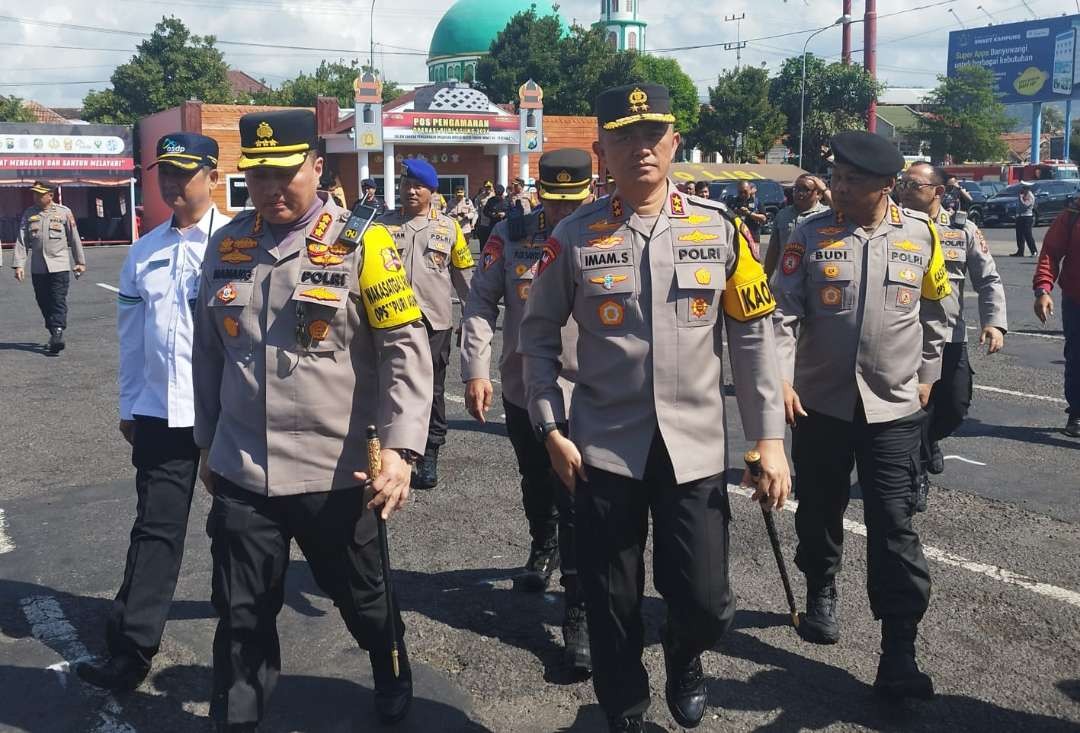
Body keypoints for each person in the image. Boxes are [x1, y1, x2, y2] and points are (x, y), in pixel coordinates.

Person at [519, 83, 791, 732]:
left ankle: (684, 652)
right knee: (611, 604)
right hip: (603, 449)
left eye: (652, 136)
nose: (640, 149)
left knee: (703, 599)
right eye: (624, 137)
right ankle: (626, 708)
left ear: (673, 143)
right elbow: (536, 335)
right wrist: (550, 425)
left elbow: (753, 338)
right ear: (601, 150)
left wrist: (769, 440)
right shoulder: (575, 236)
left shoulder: (720, 228)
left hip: (695, 449)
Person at [192, 109, 433, 731]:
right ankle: (239, 716)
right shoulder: (228, 246)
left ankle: (390, 664)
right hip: (245, 470)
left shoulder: (362, 241)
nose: (271, 188)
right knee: (241, 614)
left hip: (338, 472)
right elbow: (207, 356)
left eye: (284, 173)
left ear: (317, 168)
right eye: (258, 175)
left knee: (365, 601)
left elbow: (404, 347)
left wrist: (403, 452)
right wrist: (206, 445)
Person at [773, 131, 952, 700]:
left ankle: (899, 649)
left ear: (885, 185)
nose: (838, 187)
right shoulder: (809, 233)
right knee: (820, 507)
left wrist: (928, 375)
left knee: (894, 526)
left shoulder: (921, 235)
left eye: (851, 180)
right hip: (822, 403)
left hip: (895, 407)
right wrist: (779, 378)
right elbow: (781, 314)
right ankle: (821, 586)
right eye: (838, 177)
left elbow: (937, 310)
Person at [75, 133, 230, 691]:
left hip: (227, 415)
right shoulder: (143, 252)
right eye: (165, 171)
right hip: (162, 415)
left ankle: (237, 642)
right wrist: (129, 405)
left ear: (212, 175)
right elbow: (131, 337)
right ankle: (132, 650)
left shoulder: (238, 244)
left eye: (184, 172)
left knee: (234, 529)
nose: (172, 182)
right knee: (155, 532)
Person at [460, 148, 593, 675]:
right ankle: (543, 545)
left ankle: (578, 610)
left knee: (578, 498)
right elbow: (479, 302)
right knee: (536, 478)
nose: (562, 212)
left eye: (573, 201)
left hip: (588, 391)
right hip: (522, 385)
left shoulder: (607, 227)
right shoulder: (511, 234)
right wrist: (475, 367)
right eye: (553, 201)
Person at [898, 163, 1007, 509]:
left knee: (954, 407)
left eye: (912, 184)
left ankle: (929, 443)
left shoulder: (963, 230)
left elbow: (988, 279)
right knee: (915, 409)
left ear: (938, 192)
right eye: (901, 183)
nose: (903, 189)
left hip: (950, 337)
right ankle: (916, 479)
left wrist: (995, 322)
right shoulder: (892, 227)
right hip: (905, 338)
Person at [377, 159, 475, 489]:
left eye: (417, 186)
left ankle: (429, 452)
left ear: (432, 191)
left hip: (433, 323)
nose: (410, 191)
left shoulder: (449, 229)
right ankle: (385, 451)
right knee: (383, 385)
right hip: (388, 321)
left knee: (430, 391)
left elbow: (465, 279)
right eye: (406, 184)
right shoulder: (380, 226)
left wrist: (472, 319)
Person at [12, 180, 85, 353]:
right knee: (43, 301)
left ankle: (58, 332)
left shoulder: (64, 212)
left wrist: (80, 262)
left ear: (50, 195)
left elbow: (74, 238)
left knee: (57, 300)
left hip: (59, 265)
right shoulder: (29, 214)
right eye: (35, 193)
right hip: (38, 267)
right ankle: (54, 333)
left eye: (40, 193)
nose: (36, 196)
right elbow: (22, 240)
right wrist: (19, 265)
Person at [1034, 201, 1080, 437]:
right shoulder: (1072, 215)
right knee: (1076, 359)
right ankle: (1077, 412)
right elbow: (1050, 253)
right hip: (1076, 302)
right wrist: (1043, 289)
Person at [765, 173, 830, 277]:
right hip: (786, 278)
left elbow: (843, 214)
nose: (799, 193)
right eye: (796, 189)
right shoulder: (783, 215)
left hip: (815, 279)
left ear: (819, 194)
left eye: (806, 189)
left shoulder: (827, 215)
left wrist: (824, 189)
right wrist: (766, 278)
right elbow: (773, 250)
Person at [1014, 181, 1038, 256]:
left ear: (1028, 188)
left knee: (1028, 235)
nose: (1022, 189)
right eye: (1022, 188)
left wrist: (1021, 198)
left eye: (1024, 188)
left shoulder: (1030, 196)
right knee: (1019, 235)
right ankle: (1020, 251)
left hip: (1027, 217)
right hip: (1020, 216)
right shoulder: (1022, 195)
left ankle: (1034, 251)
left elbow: (1026, 205)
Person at [473, 180, 495, 245]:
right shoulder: (479, 198)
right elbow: (476, 211)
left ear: (492, 187)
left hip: (493, 224)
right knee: (483, 244)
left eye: (489, 187)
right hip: (483, 224)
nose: (488, 189)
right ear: (484, 187)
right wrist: (473, 223)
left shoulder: (495, 196)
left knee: (493, 244)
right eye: (486, 187)